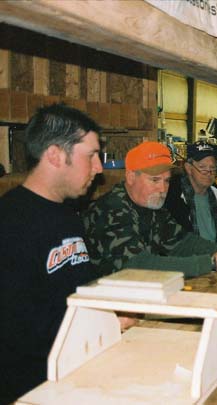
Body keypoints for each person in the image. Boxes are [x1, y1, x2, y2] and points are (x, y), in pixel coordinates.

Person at [0, 104, 103, 403]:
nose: (98, 168)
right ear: (55, 155)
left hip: (73, 373)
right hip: (31, 390)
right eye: (91, 155)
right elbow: (17, 327)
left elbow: (73, 291)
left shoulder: (68, 215)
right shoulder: (10, 223)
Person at [83, 141, 217, 278]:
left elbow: (181, 242)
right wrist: (211, 263)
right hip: (101, 306)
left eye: (166, 181)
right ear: (131, 177)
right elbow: (136, 265)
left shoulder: (153, 207)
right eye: (154, 180)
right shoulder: (112, 209)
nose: (162, 188)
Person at [165, 141, 217, 243]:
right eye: (202, 168)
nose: (209, 173)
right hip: (190, 255)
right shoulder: (173, 196)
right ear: (189, 168)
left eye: (212, 168)